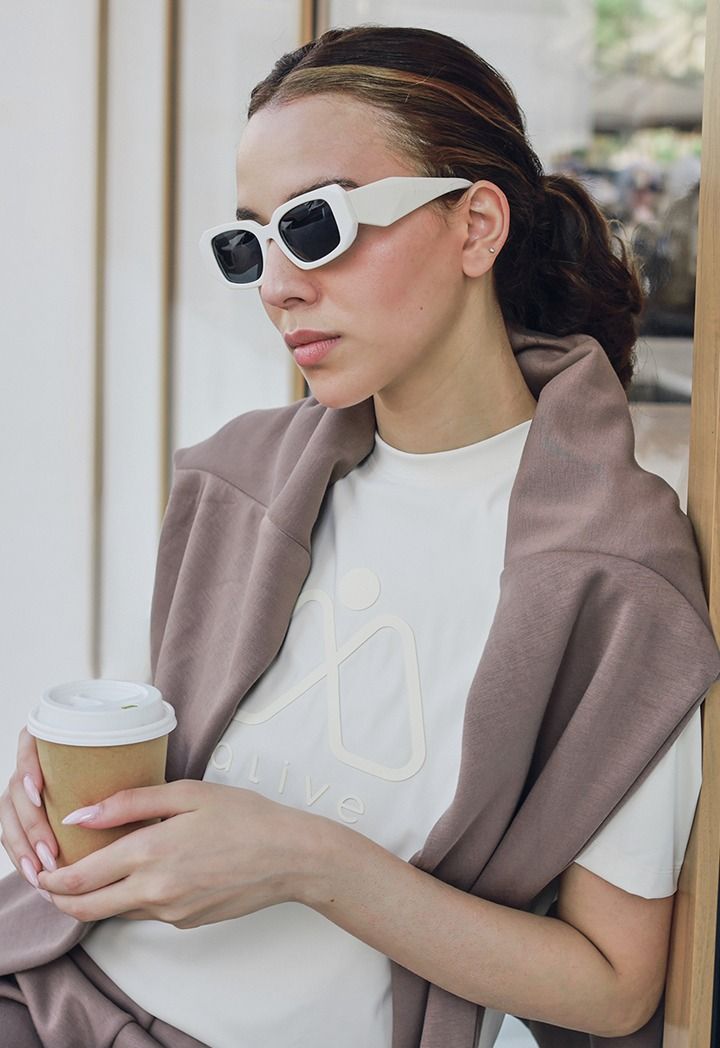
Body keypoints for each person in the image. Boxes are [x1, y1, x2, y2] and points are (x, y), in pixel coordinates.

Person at [1, 24, 718, 1048]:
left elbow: (612, 987)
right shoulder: (236, 479)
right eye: (250, 243)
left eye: (317, 227)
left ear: (477, 227)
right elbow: (169, 757)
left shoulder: (615, 575)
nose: (276, 286)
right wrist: (57, 784)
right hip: (50, 986)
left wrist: (310, 863)